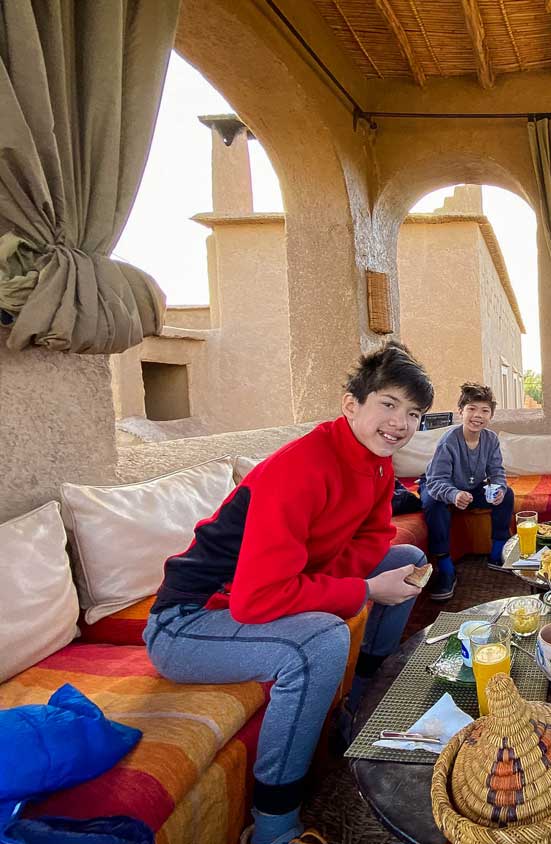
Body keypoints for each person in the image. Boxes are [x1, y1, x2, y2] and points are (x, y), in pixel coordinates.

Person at [143, 342, 435, 844]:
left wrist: (352, 584)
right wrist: (362, 589)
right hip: (189, 622)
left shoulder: (377, 463)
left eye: (413, 413)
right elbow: (255, 601)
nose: (400, 423)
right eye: (388, 404)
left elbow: (372, 537)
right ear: (351, 405)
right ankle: (274, 825)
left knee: (407, 562)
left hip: (256, 594)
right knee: (320, 639)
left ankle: (357, 709)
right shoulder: (300, 468)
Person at [419, 382, 515, 600]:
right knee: (434, 503)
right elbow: (436, 481)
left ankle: (497, 552)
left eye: (484, 410)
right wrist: (454, 494)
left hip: (471, 488)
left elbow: (497, 471)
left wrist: (499, 488)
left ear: (491, 415)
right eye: (471, 408)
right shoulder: (449, 441)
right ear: (460, 411)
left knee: (506, 494)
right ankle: (445, 568)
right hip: (439, 486)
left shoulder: (490, 439)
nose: (477, 415)